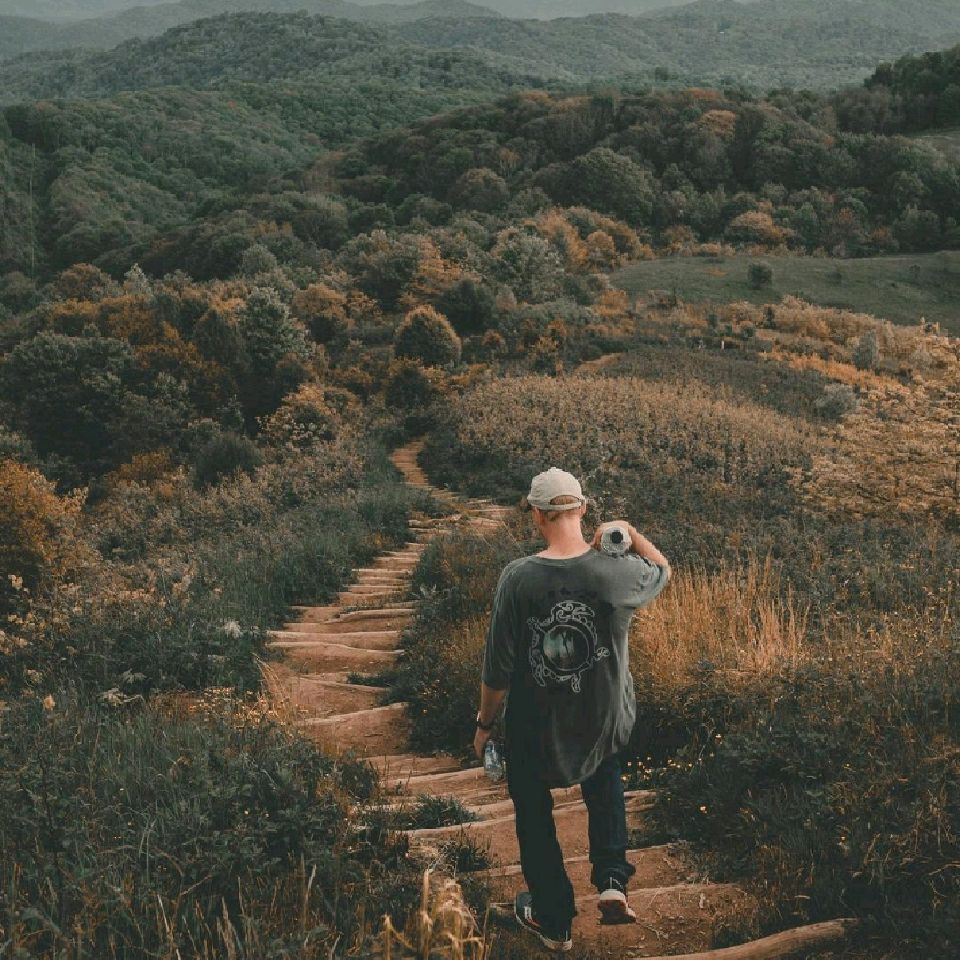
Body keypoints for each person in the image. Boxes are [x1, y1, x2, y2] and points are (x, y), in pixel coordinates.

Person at [473, 467, 671, 953]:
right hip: (601, 715)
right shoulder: (615, 572)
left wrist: (484, 725)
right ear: (582, 509)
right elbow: (663, 570)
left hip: (534, 724)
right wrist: (630, 534)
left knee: (533, 812)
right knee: (605, 779)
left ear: (536, 515)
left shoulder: (518, 578)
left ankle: (554, 919)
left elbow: (498, 669)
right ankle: (612, 879)